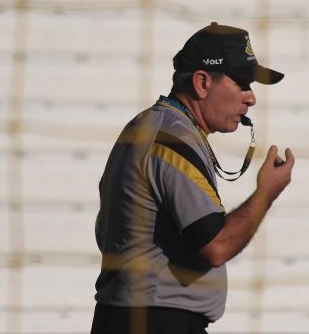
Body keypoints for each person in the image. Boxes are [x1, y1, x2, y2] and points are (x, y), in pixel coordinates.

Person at [90, 22, 295, 334]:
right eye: (242, 83)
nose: (251, 98)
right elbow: (217, 245)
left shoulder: (147, 127)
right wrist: (266, 192)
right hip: (156, 321)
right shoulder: (172, 140)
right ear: (202, 83)